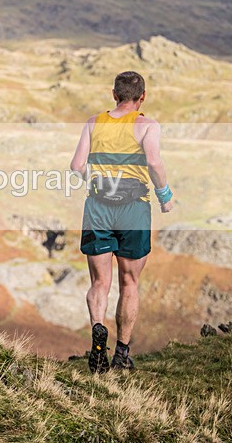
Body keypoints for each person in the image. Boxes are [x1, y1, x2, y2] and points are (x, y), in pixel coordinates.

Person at [70, 71, 174, 372]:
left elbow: (77, 165)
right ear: (142, 97)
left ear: (113, 95)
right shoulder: (147, 126)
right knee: (129, 282)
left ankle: (97, 331)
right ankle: (122, 354)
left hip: (98, 207)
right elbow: (154, 162)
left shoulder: (93, 123)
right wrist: (164, 196)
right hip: (133, 209)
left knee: (99, 282)